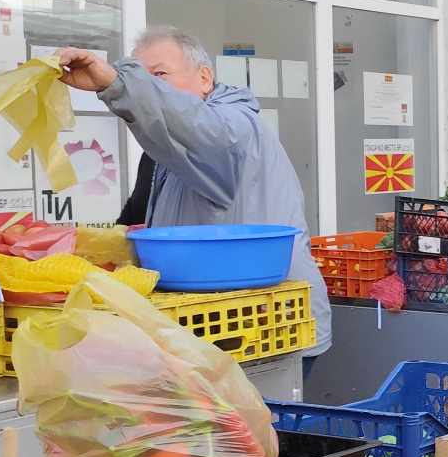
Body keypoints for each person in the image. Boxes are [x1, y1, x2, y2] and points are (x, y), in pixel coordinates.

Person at [57, 28, 330, 357]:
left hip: (268, 327)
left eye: (159, 75)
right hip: (211, 324)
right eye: (140, 78)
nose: (149, 88)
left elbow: (199, 126)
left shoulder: (234, 127)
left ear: (204, 78)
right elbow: (138, 217)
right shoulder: (168, 149)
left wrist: (118, 84)